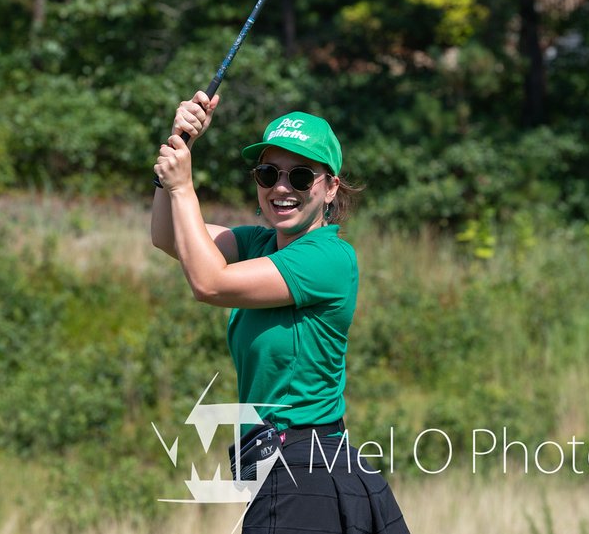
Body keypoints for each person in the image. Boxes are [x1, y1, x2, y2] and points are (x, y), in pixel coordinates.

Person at [151, 91, 409, 534]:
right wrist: (178, 146)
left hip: (305, 467)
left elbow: (209, 283)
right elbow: (167, 237)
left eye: (301, 176)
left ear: (330, 188)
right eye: (269, 173)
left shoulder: (328, 257)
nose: (282, 188)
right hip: (284, 467)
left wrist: (182, 186)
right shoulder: (258, 244)